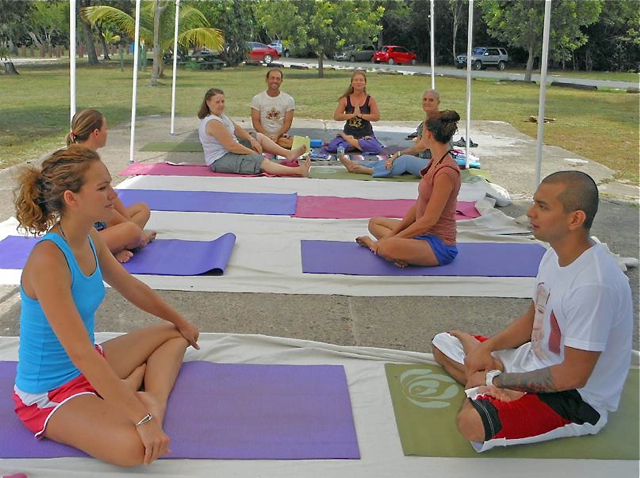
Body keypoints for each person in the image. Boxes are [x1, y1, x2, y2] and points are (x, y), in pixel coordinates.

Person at [12, 145, 200, 466]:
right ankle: (139, 399)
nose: (113, 195)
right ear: (72, 198)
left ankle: (152, 399)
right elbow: (80, 353)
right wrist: (141, 419)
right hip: (51, 392)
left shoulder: (89, 237)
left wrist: (180, 319)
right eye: (102, 188)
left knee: (175, 335)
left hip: (91, 364)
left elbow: (130, 286)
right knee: (137, 449)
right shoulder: (48, 259)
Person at [431, 171, 633, 453]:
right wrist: (487, 347)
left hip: (575, 397)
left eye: (543, 206)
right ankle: (484, 381)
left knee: (472, 422)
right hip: (533, 362)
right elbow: (533, 317)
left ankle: (482, 385)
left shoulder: (594, 285)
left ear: (575, 219)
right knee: (442, 343)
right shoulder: (554, 253)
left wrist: (495, 379)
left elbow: (573, 376)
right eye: (535, 203)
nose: (529, 212)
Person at [355, 110, 461, 267]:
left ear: (429, 135)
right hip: (420, 234)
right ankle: (403, 252)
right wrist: (393, 234)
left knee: (387, 247)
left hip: (439, 245)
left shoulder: (446, 172)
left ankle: (376, 246)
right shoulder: (434, 162)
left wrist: (392, 239)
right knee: (374, 223)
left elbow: (428, 220)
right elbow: (419, 205)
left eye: (421, 133)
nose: (418, 138)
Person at [67, 109, 155, 263]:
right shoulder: (87, 165)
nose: (107, 132)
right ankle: (116, 248)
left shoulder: (89, 160)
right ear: (96, 133)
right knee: (132, 231)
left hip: (98, 224)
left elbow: (111, 199)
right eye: (105, 129)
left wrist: (126, 223)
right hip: (85, 235)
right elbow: (107, 208)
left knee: (142, 209)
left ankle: (120, 242)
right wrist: (134, 231)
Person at [198, 88, 310, 177]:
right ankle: (298, 171)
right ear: (208, 103)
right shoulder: (213, 122)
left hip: (230, 151)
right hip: (221, 159)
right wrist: (253, 153)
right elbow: (232, 146)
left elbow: (236, 129)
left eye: (222, 101)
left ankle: (288, 154)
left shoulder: (221, 116)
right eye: (217, 102)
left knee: (258, 137)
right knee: (259, 160)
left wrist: (252, 140)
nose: (221, 104)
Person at [338, 89, 441, 178]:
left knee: (405, 160)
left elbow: (419, 148)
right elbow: (418, 146)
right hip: (424, 161)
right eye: (425, 99)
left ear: (438, 102)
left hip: (436, 165)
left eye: (431, 100)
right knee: (392, 160)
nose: (427, 102)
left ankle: (366, 170)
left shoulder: (437, 121)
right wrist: (394, 158)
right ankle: (358, 165)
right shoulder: (426, 121)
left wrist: (397, 155)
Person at [326, 71, 382, 155]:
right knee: (332, 147)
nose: (358, 82)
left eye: (361, 80)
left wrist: (361, 115)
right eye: (356, 80)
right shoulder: (345, 99)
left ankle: (350, 142)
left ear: (365, 83)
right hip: (349, 133)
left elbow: (376, 117)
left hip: (365, 136)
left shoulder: (370, 100)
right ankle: (357, 145)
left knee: (376, 148)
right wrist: (352, 115)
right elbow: (337, 116)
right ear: (351, 83)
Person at [251, 68, 295, 149]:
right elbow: (256, 121)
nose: (275, 81)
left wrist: (277, 136)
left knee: (296, 144)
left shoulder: (289, 100)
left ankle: (273, 145)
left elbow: (288, 123)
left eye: (278, 79)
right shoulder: (257, 99)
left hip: (280, 137)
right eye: (272, 78)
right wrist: (266, 135)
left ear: (281, 81)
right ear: (267, 80)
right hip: (262, 136)